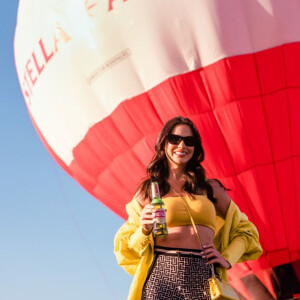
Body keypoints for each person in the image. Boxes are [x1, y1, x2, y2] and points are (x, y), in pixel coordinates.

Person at [114, 116, 262, 300]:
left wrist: (227, 258)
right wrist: (144, 230)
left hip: (203, 275)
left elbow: (246, 231)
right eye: (175, 139)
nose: (182, 145)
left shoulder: (211, 188)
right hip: (161, 277)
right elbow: (126, 248)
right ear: (163, 143)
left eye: (189, 141)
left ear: (196, 147)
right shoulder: (148, 192)